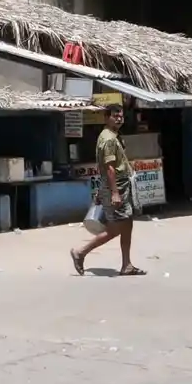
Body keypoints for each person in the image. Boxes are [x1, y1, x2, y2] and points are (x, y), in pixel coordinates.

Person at [72, 103, 144, 276]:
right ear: (106, 118)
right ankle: (80, 252)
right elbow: (110, 167)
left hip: (118, 185)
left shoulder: (113, 135)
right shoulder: (109, 139)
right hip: (117, 186)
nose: (118, 118)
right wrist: (113, 192)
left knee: (127, 224)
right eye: (114, 115)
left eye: (120, 116)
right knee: (116, 228)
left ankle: (126, 264)